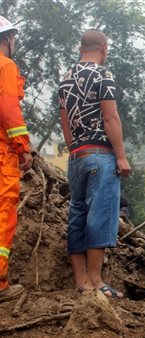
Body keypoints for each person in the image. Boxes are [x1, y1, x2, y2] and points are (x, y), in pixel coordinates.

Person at [58, 29, 131, 299]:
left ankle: (81, 282)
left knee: (77, 215)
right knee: (99, 215)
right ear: (104, 48)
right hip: (101, 154)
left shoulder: (66, 78)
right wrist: (121, 156)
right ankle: (97, 282)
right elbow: (110, 117)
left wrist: (75, 150)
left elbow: (65, 122)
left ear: (81, 47)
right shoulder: (103, 75)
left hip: (77, 157)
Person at [0, 16, 33, 303]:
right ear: (7, 38)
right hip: (1, 155)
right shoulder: (5, 66)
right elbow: (9, 108)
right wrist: (23, 146)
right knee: (2, 213)